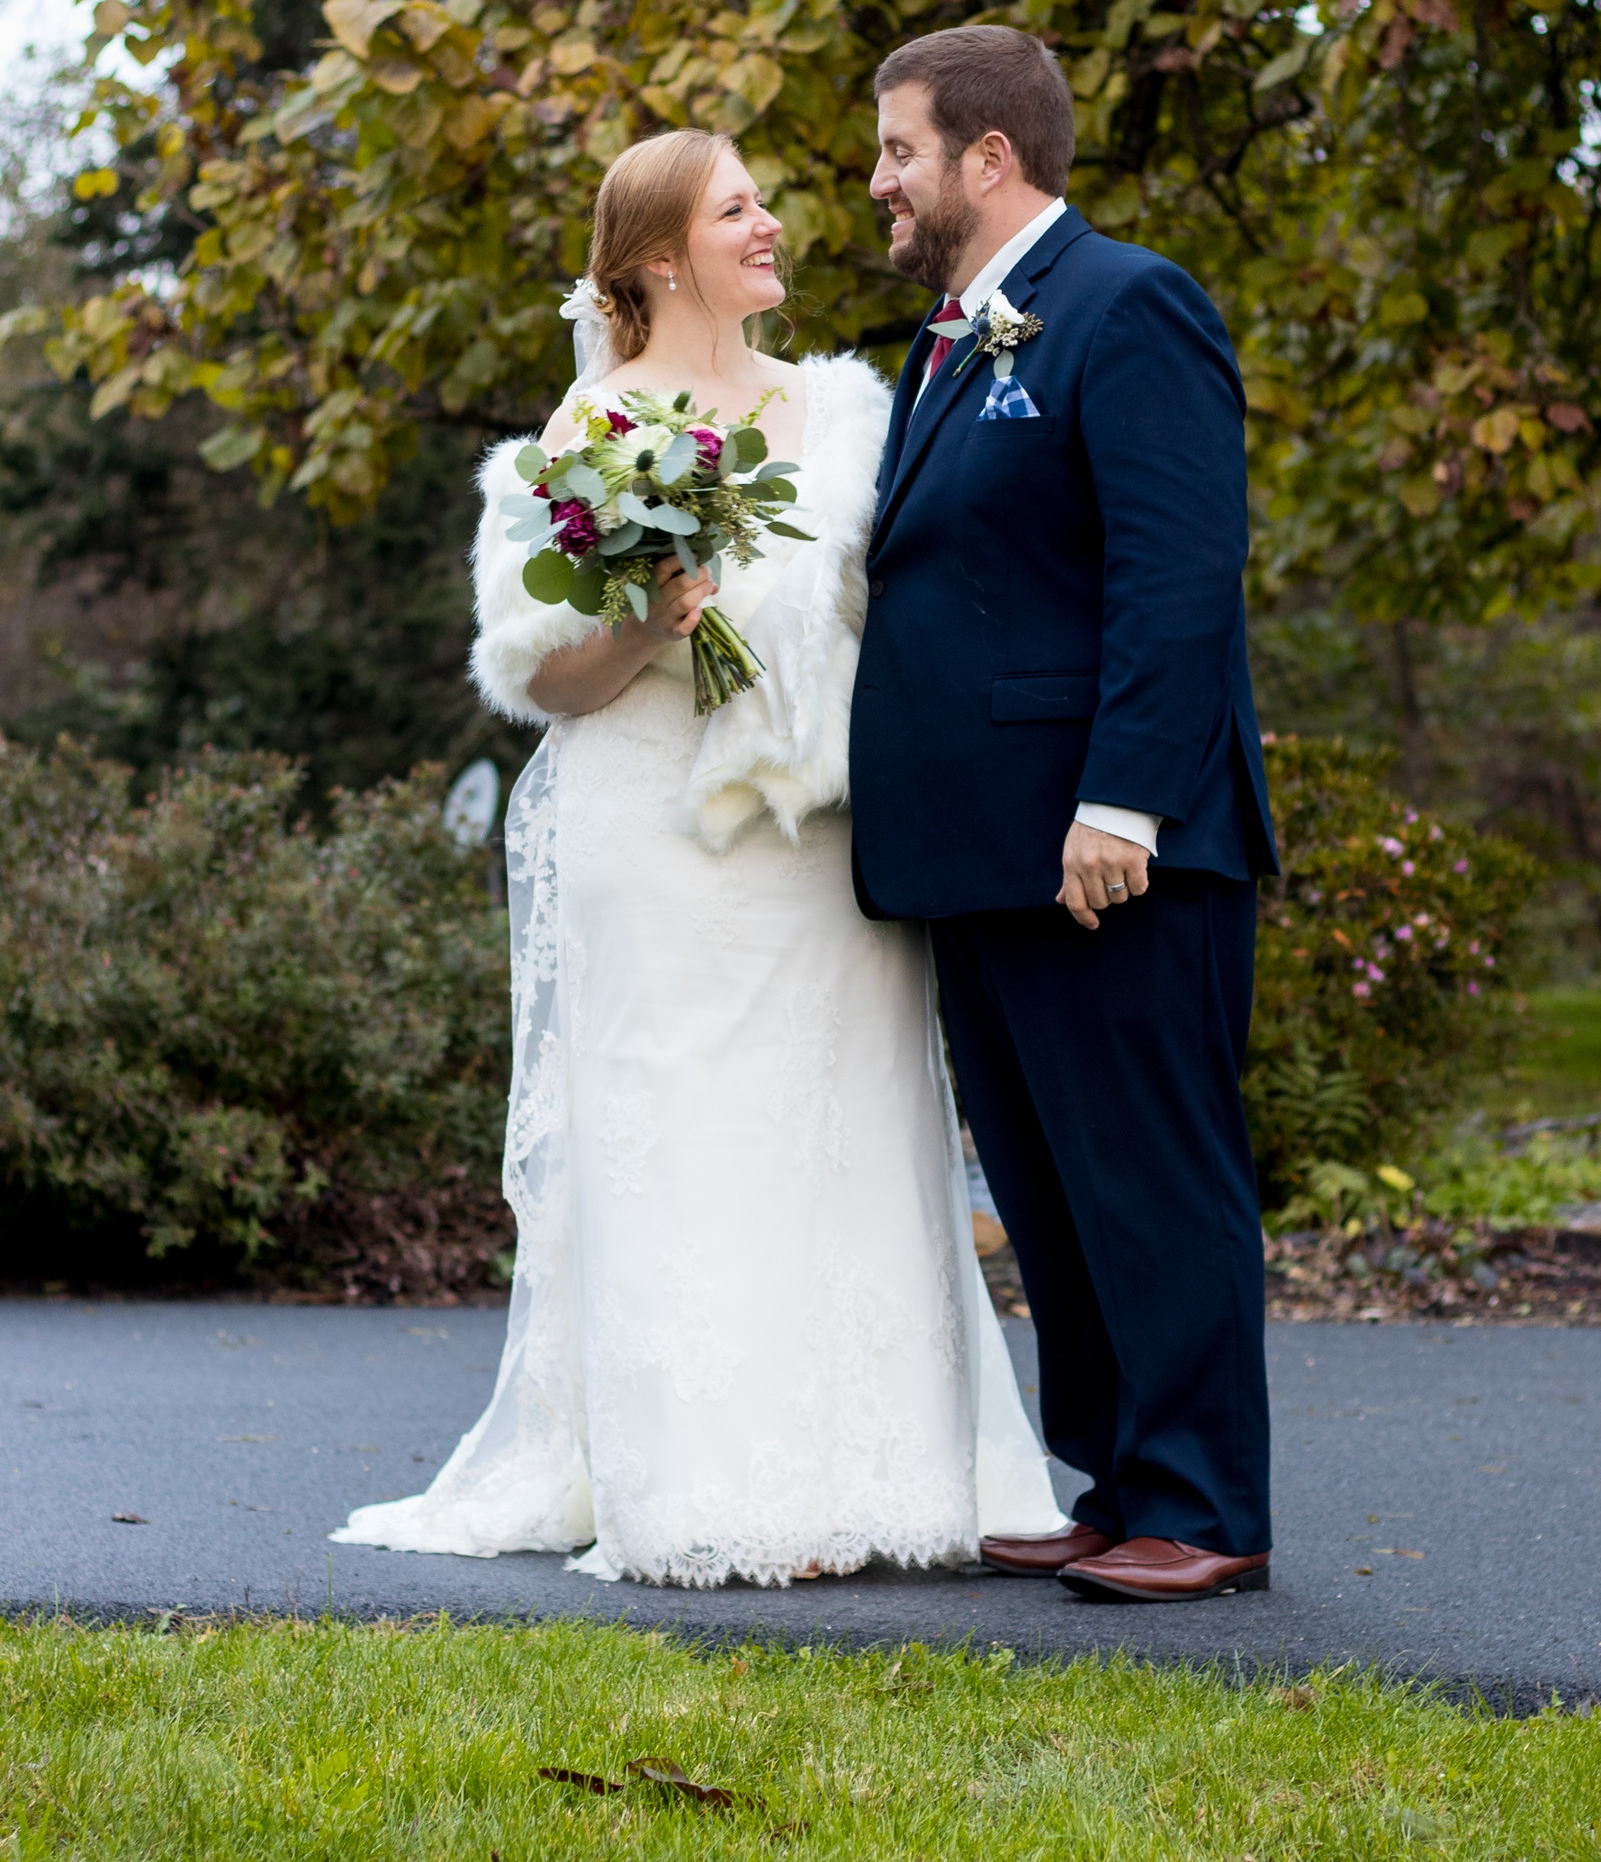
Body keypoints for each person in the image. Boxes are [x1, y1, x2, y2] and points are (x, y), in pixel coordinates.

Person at [334, 128, 1059, 1586]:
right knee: (687, 1135)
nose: (775, 223)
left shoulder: (849, 412)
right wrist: (643, 621)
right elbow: (534, 677)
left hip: (822, 836)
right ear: (664, 256)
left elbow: (891, 620)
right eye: (741, 208)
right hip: (653, 835)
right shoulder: (582, 440)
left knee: (851, 1123)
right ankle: (710, 1484)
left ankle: (898, 1475)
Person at [848, 26, 1280, 1605]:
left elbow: (1177, 575)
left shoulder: (1130, 304)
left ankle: (1208, 1504)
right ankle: (1115, 1482)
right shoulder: (951, 341)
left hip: (1113, 851)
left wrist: (1126, 804)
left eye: (899, 151)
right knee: (1048, 1188)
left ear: (988, 157)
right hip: (987, 852)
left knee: (1153, 1175)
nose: (879, 182)